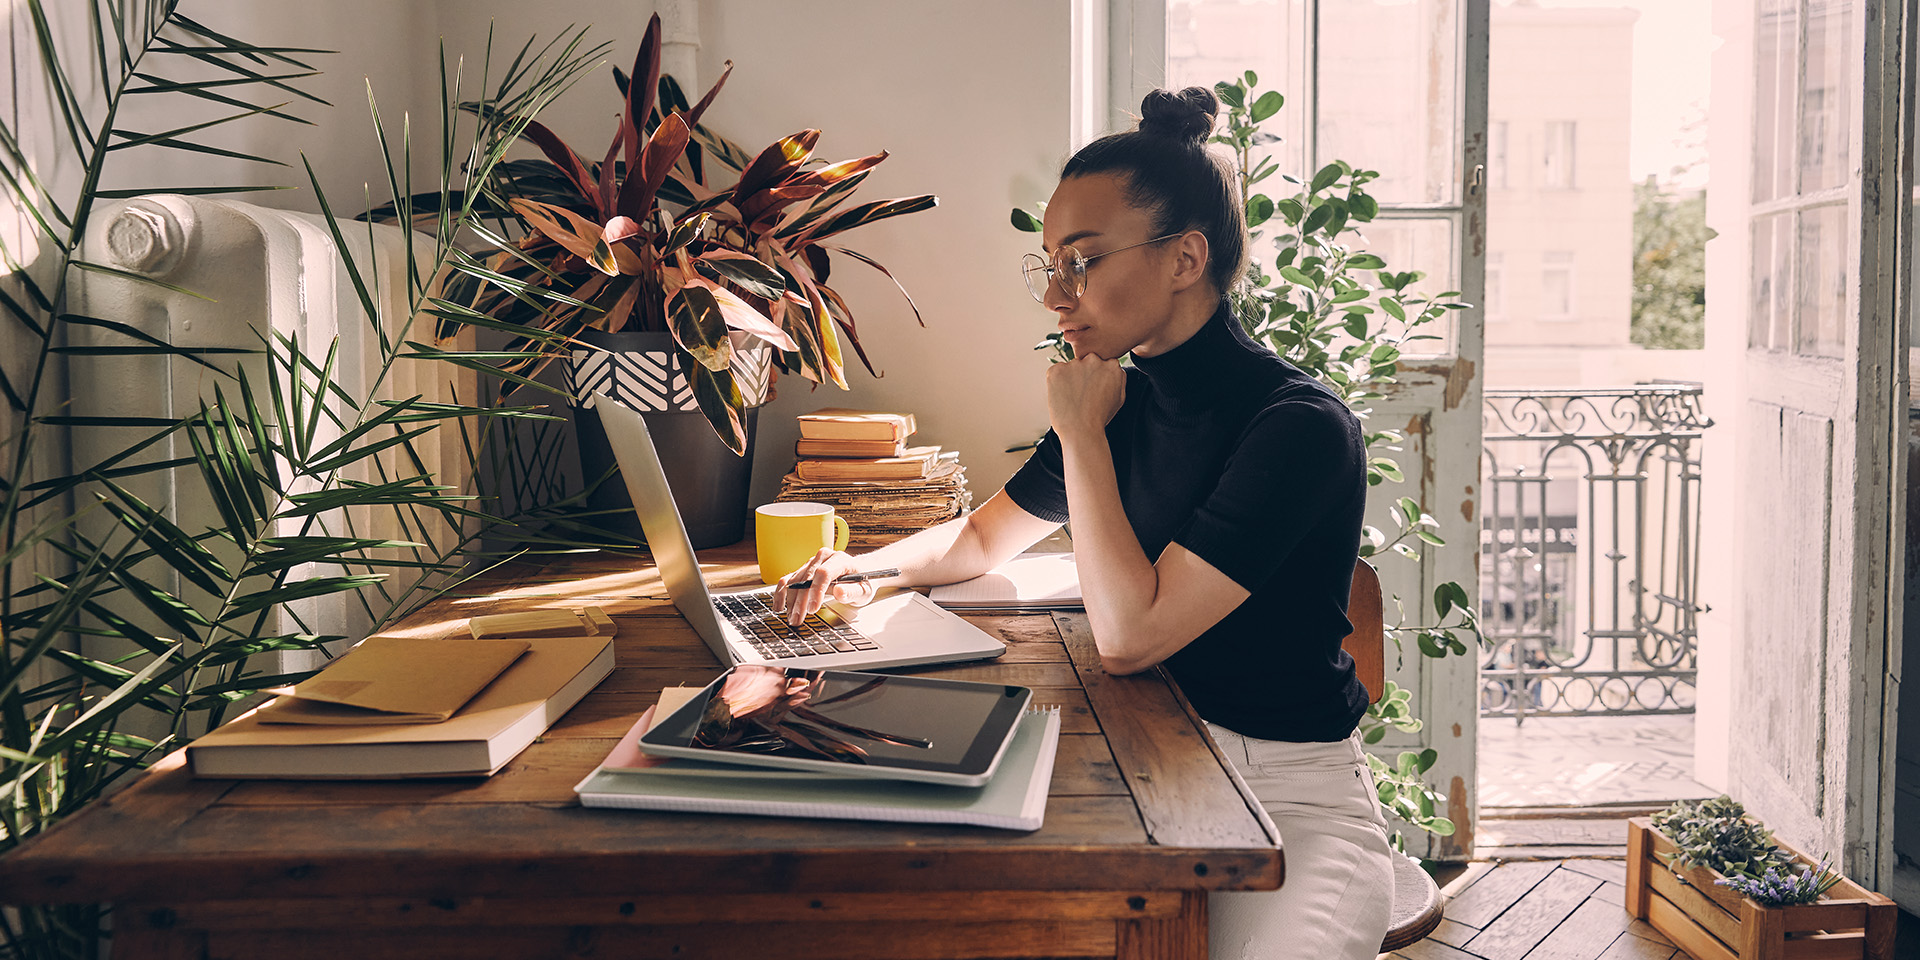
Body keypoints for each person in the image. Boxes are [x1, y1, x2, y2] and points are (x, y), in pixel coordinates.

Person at [772, 86, 1394, 960]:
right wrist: (862, 568)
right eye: (1050, 265)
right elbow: (983, 538)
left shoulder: (1297, 427)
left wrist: (1078, 432)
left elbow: (1131, 635)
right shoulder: (1123, 401)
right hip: (1136, 765)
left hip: (1286, 796)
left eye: (1084, 261)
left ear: (1185, 258)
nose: (1056, 295)